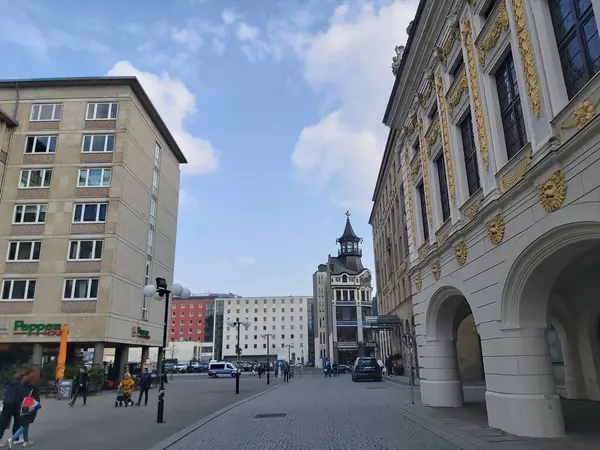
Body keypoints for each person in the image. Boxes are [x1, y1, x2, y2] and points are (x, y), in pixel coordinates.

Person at [7, 371, 41, 449]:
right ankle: (12, 439)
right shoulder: (34, 386)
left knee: (25, 424)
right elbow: (36, 398)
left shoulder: (23, 383)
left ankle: (26, 441)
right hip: (30, 407)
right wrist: (37, 406)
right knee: (25, 425)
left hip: (21, 406)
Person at [0, 369, 31, 447]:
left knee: (3, 422)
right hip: (16, 404)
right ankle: (16, 439)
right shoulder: (22, 384)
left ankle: (13, 439)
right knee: (17, 421)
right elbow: (24, 395)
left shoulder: (12, 381)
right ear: (24, 376)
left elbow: (6, 392)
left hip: (7, 403)